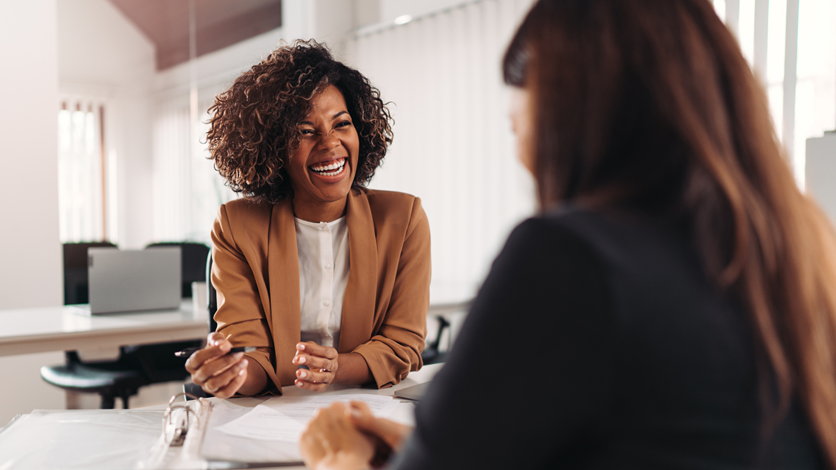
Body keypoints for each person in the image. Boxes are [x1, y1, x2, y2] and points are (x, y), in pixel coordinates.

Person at [298, 0, 836, 468]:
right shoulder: (798, 248)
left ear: (570, 114)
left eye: (518, 125)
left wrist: (338, 458)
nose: (520, 154)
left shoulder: (570, 258)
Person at [185, 41, 431, 398]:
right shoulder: (237, 225)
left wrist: (337, 368)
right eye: (304, 131)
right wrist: (231, 372)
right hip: (273, 414)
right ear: (273, 146)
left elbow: (403, 344)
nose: (330, 144)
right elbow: (251, 355)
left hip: (367, 406)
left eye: (341, 123)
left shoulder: (403, 219)